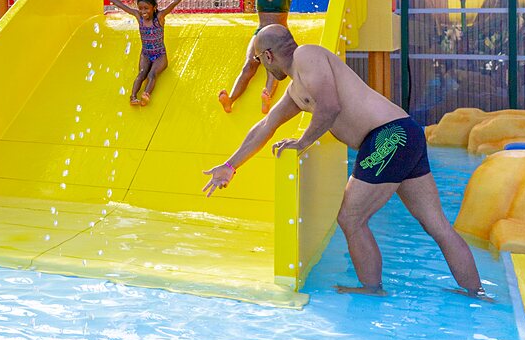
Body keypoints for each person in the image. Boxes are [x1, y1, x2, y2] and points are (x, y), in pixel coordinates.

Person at [200, 25, 487, 298]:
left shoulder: (307, 55)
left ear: (269, 56)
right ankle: (478, 294)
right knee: (437, 225)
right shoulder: (297, 89)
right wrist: (230, 166)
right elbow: (265, 127)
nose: (262, 66)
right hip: (405, 132)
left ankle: (373, 289)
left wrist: (301, 143)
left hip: (388, 136)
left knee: (350, 218)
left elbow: (329, 107)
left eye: (258, 60)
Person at [188, 0, 346, 114]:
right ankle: (230, 100)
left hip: (280, 38)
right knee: (249, 66)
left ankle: (267, 98)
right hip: (260, 34)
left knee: (273, 69)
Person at [106, 0, 203, 105]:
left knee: (152, 74)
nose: (143, 11)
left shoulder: (159, 17)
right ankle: (133, 96)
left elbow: (174, 2)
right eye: (140, 8)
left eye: (146, 8)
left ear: (154, 7)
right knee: (141, 74)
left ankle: (146, 95)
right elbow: (122, 6)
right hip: (145, 54)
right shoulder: (138, 16)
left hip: (160, 56)